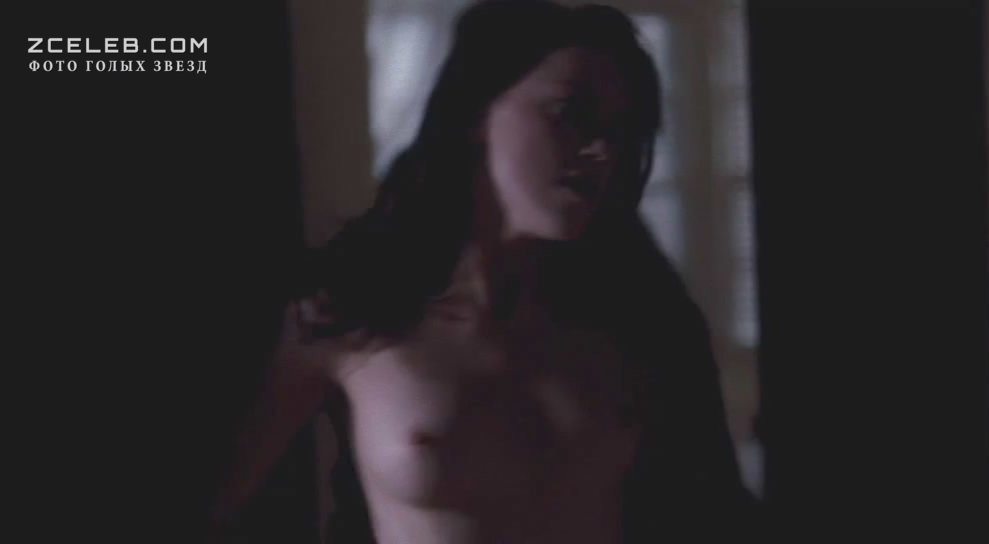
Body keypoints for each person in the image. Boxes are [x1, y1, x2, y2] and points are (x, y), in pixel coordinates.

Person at [213, 1, 758, 542]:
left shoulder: (640, 319)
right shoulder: (351, 310)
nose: (600, 150)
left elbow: (717, 512)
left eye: (618, 129)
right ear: (476, 112)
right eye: (570, 111)